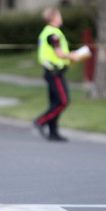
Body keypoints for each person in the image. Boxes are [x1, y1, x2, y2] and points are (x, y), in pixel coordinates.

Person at [34, 8, 80, 142]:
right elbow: (58, 53)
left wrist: (69, 58)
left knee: (54, 102)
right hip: (54, 72)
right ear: (53, 17)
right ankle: (40, 121)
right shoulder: (52, 34)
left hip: (52, 71)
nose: (61, 18)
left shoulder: (49, 32)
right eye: (59, 15)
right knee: (63, 101)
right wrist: (71, 55)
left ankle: (53, 132)